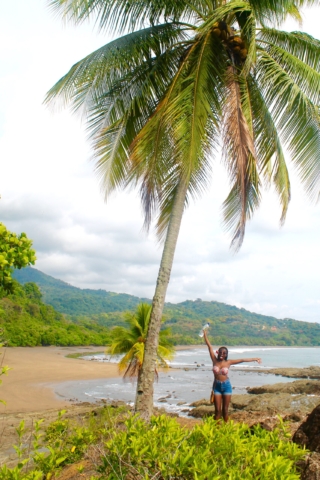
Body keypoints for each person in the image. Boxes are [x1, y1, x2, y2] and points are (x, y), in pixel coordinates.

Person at [203, 330, 261, 422]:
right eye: (221, 352)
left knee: (225, 410)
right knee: (217, 411)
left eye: (224, 353)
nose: (222, 354)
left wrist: (255, 359)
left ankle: (226, 430)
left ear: (226, 354)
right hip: (216, 387)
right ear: (218, 352)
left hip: (226, 386)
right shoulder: (214, 360)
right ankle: (215, 429)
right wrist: (205, 335)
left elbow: (242, 359)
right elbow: (209, 347)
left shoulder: (228, 362)